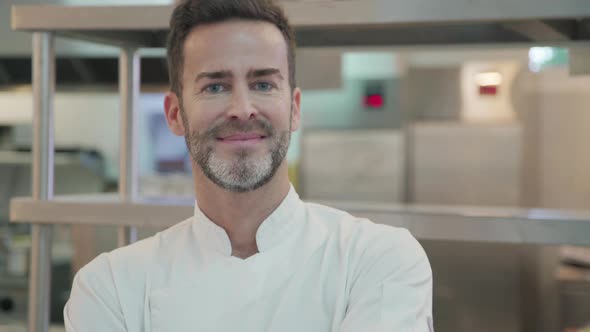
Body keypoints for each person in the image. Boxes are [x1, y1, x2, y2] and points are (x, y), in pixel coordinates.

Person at [63, 0, 433, 331]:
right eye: (215, 87)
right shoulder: (111, 286)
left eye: (263, 84)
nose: (242, 108)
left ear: (294, 108)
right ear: (175, 113)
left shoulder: (377, 260)